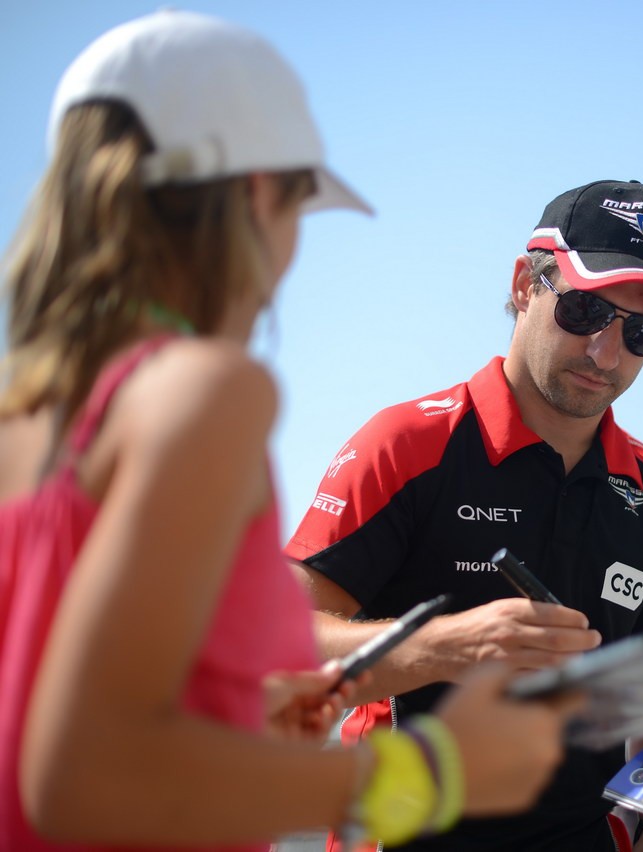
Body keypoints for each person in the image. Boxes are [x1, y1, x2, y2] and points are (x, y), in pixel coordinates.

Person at [0, 11, 576, 852]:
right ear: (256, 192)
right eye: (301, 205)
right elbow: (81, 775)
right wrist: (437, 771)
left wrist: (241, 714)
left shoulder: (27, 416)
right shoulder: (204, 390)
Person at [286, 179, 643, 851]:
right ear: (523, 284)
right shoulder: (407, 444)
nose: (606, 353)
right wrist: (440, 649)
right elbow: (276, 643)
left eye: (641, 331)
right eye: (584, 311)